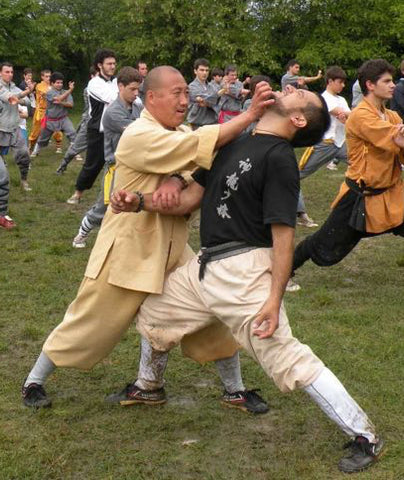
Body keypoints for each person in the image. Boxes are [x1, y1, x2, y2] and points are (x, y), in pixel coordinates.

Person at [110, 86, 383, 474]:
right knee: (155, 310)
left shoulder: (280, 160)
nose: (289, 87)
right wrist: (137, 202)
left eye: (297, 92)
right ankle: (148, 386)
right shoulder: (234, 141)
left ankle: (364, 435)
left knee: (285, 357)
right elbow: (188, 200)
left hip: (244, 271)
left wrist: (273, 299)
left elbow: (283, 235)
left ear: (298, 119)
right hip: (205, 267)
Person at [22, 66, 273, 413]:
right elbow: (196, 146)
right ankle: (33, 380)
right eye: (177, 93)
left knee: (212, 308)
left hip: (172, 248)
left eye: (187, 93)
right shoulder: (139, 134)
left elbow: (193, 163)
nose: (185, 100)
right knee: (91, 320)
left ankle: (234, 389)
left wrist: (175, 179)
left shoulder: (177, 130)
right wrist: (251, 114)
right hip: (128, 249)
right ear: (151, 97)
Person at [293, 59, 404, 273]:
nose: (393, 85)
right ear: (370, 85)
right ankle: (286, 269)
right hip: (358, 198)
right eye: (387, 81)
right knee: (323, 244)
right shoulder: (362, 115)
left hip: (390, 193)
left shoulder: (391, 115)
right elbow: (395, 139)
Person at [72, 67, 143, 248]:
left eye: (138, 89)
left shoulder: (136, 107)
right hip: (116, 168)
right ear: (120, 86)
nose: (136, 93)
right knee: (104, 208)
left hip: (135, 165)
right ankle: (81, 235)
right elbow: (139, 131)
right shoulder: (112, 112)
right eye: (132, 89)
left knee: (137, 205)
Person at [296, 67, 351, 228]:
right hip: (323, 144)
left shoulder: (341, 99)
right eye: (340, 82)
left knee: (364, 165)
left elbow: (349, 117)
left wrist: (346, 117)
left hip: (340, 144)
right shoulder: (323, 98)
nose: (342, 85)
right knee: (294, 175)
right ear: (330, 82)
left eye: (343, 82)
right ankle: (300, 213)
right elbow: (342, 113)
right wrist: (346, 115)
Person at [66, 49, 118, 205]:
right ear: (99, 65)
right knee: (93, 164)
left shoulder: (117, 82)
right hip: (98, 130)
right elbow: (112, 99)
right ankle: (78, 192)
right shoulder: (94, 83)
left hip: (116, 129)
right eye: (109, 63)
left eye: (114, 63)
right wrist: (125, 96)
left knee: (119, 162)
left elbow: (133, 100)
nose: (112, 66)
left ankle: (114, 194)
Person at [0, 62, 34, 228]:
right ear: (0, 73)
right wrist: (27, 90)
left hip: (14, 129)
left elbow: (26, 102)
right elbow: (12, 99)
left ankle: (24, 180)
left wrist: (27, 93)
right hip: (1, 131)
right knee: (3, 176)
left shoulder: (13, 86)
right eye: (7, 72)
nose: (10, 74)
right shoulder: (0, 87)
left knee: (24, 155)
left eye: (12, 72)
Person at [56, 66, 98, 175]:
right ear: (92, 76)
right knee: (75, 148)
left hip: (102, 124)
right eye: (97, 76)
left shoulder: (107, 87)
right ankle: (62, 166)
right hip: (89, 122)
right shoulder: (88, 90)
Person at [30, 72, 76, 157]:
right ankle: (35, 151)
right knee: (42, 138)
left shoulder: (65, 92)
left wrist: (61, 102)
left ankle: (75, 152)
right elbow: (58, 98)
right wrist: (70, 91)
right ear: (52, 83)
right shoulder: (49, 92)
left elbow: (71, 104)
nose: (59, 84)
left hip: (63, 119)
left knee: (72, 133)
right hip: (50, 120)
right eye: (57, 83)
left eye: (61, 83)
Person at [29, 69, 63, 155]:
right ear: (42, 77)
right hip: (40, 112)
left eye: (50, 76)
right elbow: (47, 93)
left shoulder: (54, 85)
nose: (48, 78)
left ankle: (58, 145)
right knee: (36, 131)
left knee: (56, 128)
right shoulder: (39, 86)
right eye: (46, 76)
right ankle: (31, 146)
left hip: (51, 111)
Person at [187, 58, 219, 129]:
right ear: (195, 71)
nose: (204, 73)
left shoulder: (212, 87)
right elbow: (209, 99)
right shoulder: (191, 87)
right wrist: (214, 99)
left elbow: (217, 101)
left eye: (207, 70)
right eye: (202, 70)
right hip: (197, 125)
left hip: (212, 123)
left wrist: (209, 101)